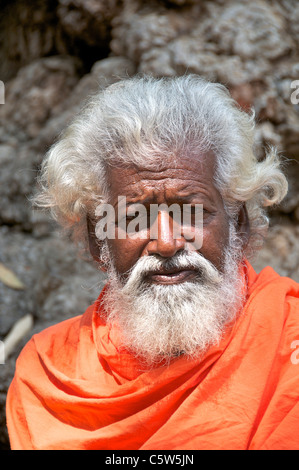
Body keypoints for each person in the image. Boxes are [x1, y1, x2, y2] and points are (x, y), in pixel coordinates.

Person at [6, 75, 299, 450]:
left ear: (238, 225)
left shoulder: (288, 344)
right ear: (100, 243)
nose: (166, 242)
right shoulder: (47, 376)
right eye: (133, 219)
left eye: (192, 212)